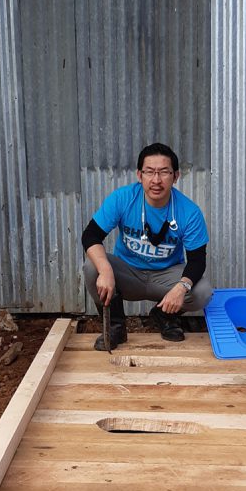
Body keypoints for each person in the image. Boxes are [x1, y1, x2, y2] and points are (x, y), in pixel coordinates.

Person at [82, 142, 213, 349]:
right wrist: (106, 270)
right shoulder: (123, 198)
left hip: (166, 276)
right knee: (92, 268)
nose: (156, 180)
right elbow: (91, 235)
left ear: (176, 176)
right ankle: (116, 327)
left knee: (202, 290)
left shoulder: (189, 211)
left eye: (164, 172)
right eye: (150, 172)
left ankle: (165, 316)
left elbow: (197, 260)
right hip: (128, 274)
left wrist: (181, 288)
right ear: (139, 175)